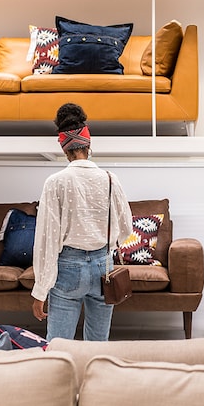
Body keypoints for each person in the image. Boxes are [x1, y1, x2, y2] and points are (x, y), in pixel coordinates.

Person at [31, 103, 133, 341]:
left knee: (59, 345)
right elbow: (126, 226)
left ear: (65, 151)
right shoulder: (109, 179)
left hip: (68, 268)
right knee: (97, 346)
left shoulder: (55, 182)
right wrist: (109, 244)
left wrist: (40, 290)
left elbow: (47, 239)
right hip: (103, 268)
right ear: (89, 145)